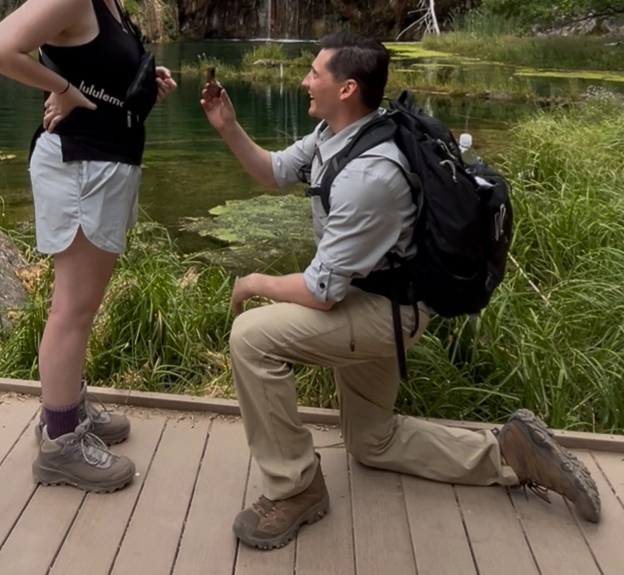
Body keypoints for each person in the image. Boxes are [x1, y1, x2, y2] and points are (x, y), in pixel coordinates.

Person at [201, 31, 601, 549]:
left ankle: (295, 488)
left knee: (251, 338)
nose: (304, 80)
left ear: (346, 88)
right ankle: (508, 453)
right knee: (373, 441)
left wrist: (255, 282)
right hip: (371, 298)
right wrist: (229, 128)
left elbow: (322, 291)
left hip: (383, 312)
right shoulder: (335, 134)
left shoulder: (370, 174)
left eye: (314, 73)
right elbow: (276, 172)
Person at [0, 0, 176, 493]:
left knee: (79, 306)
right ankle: (61, 444)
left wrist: (142, 83)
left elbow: (99, 71)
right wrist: (61, 87)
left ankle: (69, 408)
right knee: (73, 308)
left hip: (102, 166)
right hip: (80, 168)